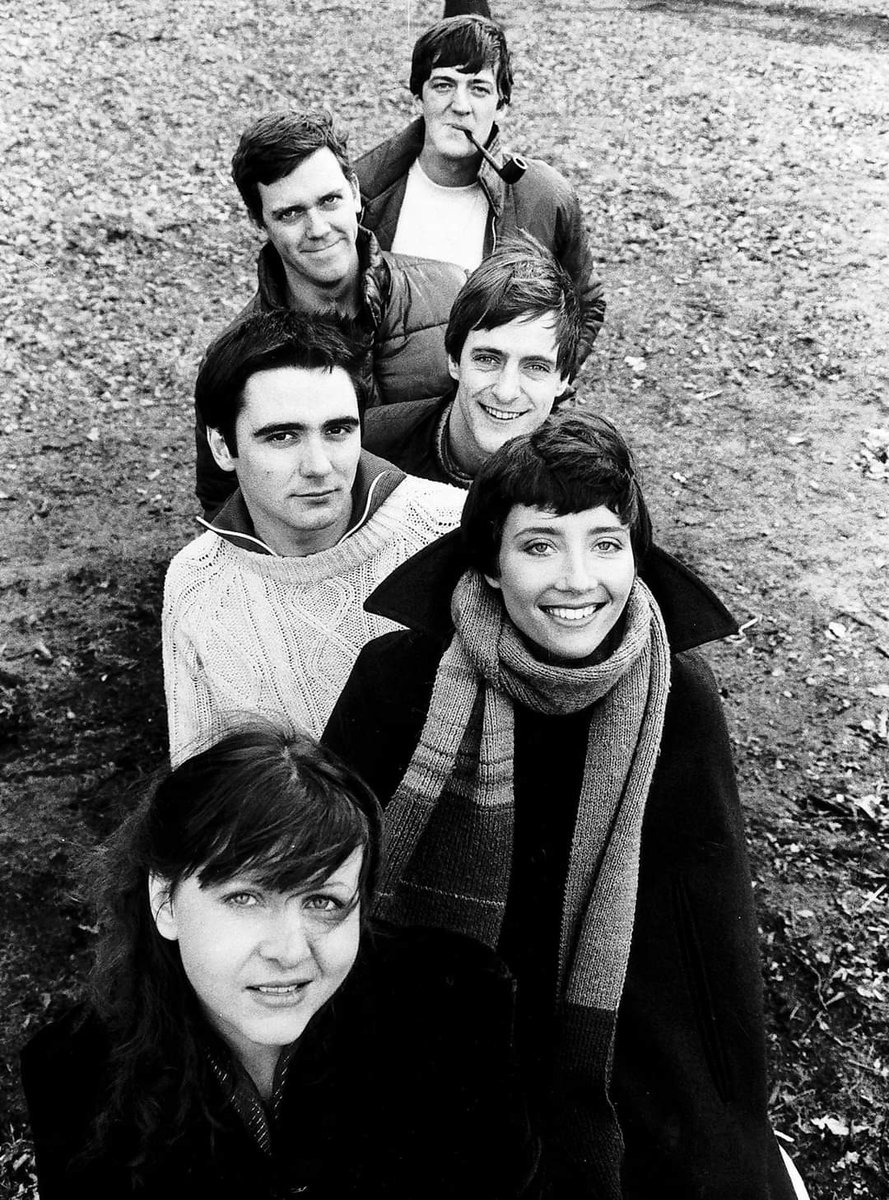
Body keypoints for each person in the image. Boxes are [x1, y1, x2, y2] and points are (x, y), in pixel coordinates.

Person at [323, 410, 798, 1199]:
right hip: (443, 1036)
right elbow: (330, 882)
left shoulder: (676, 703)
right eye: (540, 545)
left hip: (611, 1045)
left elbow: (710, 948)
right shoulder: (400, 681)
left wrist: (732, 1126)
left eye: (605, 544)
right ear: (487, 566)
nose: (578, 580)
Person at [21, 720, 540, 1199]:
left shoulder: (455, 1005)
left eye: (323, 902)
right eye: (245, 899)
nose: (290, 951)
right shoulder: (73, 1074)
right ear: (165, 902)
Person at [164, 311, 464, 765]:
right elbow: (202, 786)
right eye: (283, 436)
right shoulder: (196, 582)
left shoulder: (452, 529)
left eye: (338, 430)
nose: (319, 466)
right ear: (223, 447)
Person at [196, 108, 466, 517]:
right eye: (291, 213)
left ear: (355, 193)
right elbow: (225, 504)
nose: (318, 227)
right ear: (259, 222)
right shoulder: (233, 361)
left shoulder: (452, 293)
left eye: (329, 200)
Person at [356, 15, 605, 370]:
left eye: (478, 88)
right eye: (443, 85)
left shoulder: (543, 195)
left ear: (501, 104)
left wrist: (553, 380)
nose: (460, 105)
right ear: (418, 96)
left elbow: (586, 300)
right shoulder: (362, 193)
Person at [364, 236, 578, 486]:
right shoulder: (367, 449)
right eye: (488, 359)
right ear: (454, 359)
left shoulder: (587, 485)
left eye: (535, 367)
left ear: (563, 379)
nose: (505, 392)